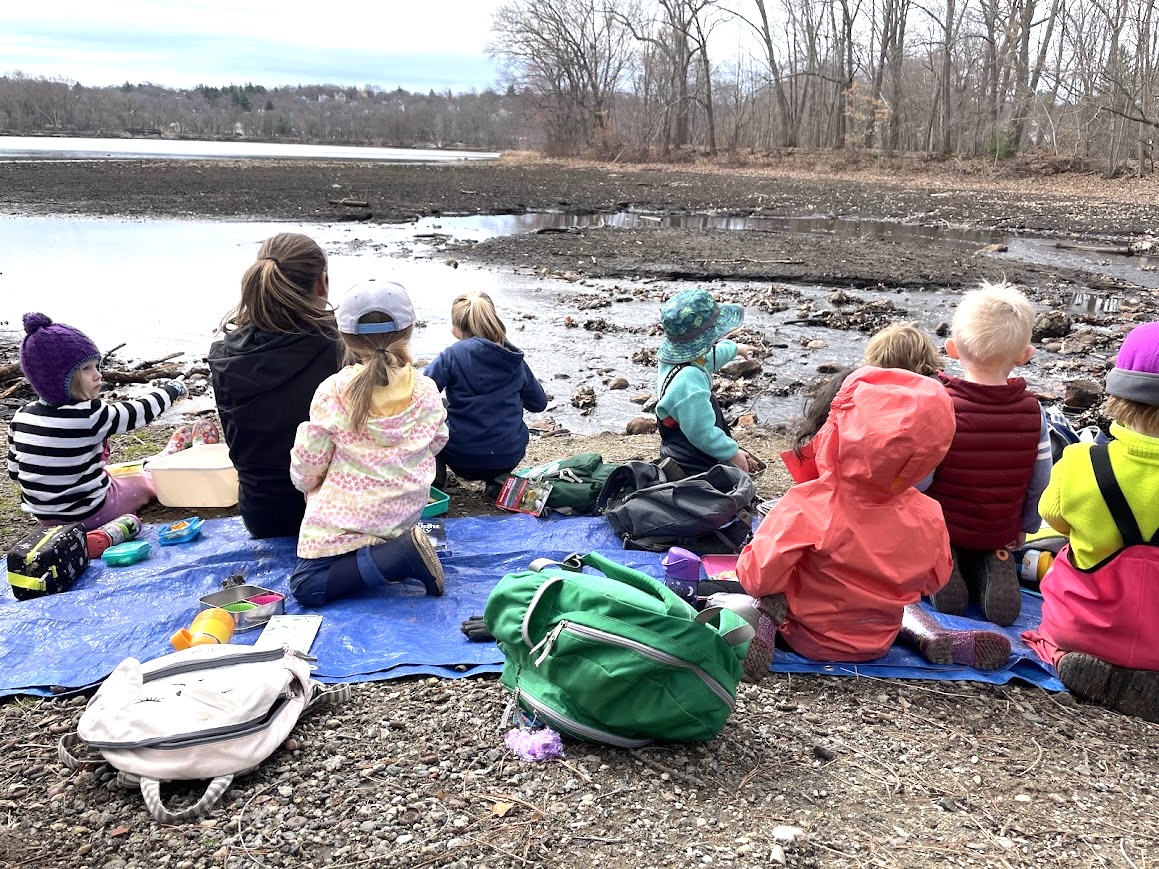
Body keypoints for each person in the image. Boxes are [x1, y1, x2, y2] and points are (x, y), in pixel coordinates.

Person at [736, 366, 957, 677]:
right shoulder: (930, 513)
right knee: (906, 606)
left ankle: (765, 627)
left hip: (808, 639)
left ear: (835, 430)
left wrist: (753, 554)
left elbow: (756, 578)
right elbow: (934, 581)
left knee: (742, 596)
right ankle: (929, 635)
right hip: (879, 640)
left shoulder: (807, 505)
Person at [1023, 322, 1159, 722]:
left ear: (1118, 397)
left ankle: (1063, 655)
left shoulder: (1083, 463)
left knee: (1057, 551)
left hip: (1082, 629)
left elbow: (1052, 519)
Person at [288, 279, 449, 607]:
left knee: (307, 585)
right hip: (402, 513)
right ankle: (393, 548)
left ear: (344, 336)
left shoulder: (332, 391)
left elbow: (306, 470)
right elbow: (438, 441)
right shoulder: (427, 389)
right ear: (408, 330)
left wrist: (312, 485)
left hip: (352, 520)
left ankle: (399, 556)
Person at [924, 282, 1052, 627]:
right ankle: (997, 560)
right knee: (992, 546)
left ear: (951, 349)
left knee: (937, 538)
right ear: (1025, 355)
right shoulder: (1033, 411)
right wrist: (1025, 528)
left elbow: (924, 478)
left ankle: (943, 563)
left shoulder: (942, 405)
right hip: (999, 530)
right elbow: (1040, 482)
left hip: (944, 527)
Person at [208, 233, 343, 539]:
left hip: (262, 515)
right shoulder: (339, 346)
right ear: (322, 283)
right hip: (334, 515)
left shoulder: (222, 356)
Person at [7, 312, 188, 530]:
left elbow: (16, 474)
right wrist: (171, 389)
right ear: (57, 379)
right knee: (142, 483)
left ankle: (153, 463)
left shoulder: (22, 415)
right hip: (91, 513)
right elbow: (138, 412)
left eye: (97, 366)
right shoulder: (90, 415)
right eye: (86, 369)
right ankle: (152, 474)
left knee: (109, 475)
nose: (98, 375)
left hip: (45, 519)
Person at [423, 291, 547, 499]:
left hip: (462, 458)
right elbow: (539, 403)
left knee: (438, 409)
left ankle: (436, 479)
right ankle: (496, 481)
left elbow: (421, 394)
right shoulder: (513, 360)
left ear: (455, 330)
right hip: (508, 455)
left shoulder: (451, 356)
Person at [654, 289, 759, 476]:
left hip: (680, 450)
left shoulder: (676, 361)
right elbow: (702, 433)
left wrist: (734, 348)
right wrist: (732, 453)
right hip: (693, 464)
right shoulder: (688, 381)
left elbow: (709, 358)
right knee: (737, 488)